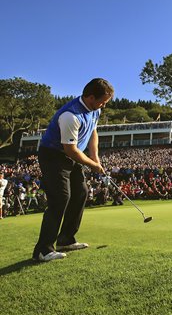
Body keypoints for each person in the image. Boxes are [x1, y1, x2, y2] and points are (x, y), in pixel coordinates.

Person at [32, 78, 113, 262]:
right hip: (53, 155)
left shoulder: (95, 109)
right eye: (102, 102)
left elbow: (93, 131)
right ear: (91, 97)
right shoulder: (70, 115)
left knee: (81, 192)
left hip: (71, 156)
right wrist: (93, 165)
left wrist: (95, 156)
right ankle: (42, 250)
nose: (104, 106)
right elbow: (71, 150)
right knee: (60, 197)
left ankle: (66, 239)